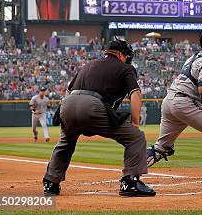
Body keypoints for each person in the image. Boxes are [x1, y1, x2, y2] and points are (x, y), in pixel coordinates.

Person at [42, 39, 155, 198]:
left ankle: (51, 182)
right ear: (122, 55)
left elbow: (68, 92)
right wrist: (135, 122)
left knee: (66, 141)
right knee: (136, 137)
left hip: (67, 104)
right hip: (92, 105)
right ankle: (130, 182)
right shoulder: (125, 67)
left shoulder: (88, 65)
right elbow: (135, 94)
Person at [146, 30, 202, 191]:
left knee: (161, 147)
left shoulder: (194, 57)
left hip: (170, 100)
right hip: (185, 102)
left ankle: (130, 174)